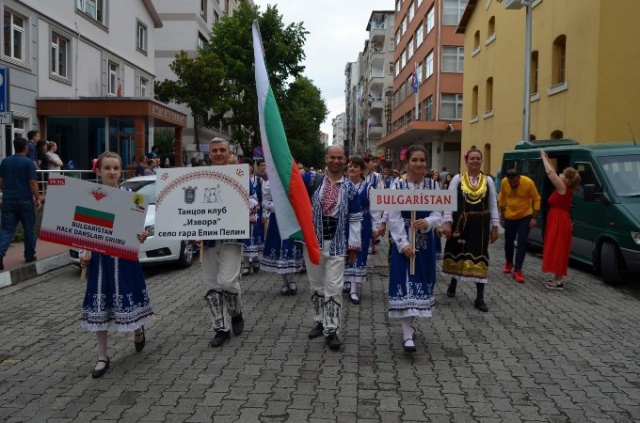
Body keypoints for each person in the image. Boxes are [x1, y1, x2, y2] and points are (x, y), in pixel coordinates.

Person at [78, 151, 152, 378]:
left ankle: (138, 329)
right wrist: (84, 252)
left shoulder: (132, 197)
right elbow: (82, 228)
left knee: (130, 300)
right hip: (100, 261)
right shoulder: (89, 196)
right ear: (98, 171)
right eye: (107, 168)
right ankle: (102, 356)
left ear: (121, 172)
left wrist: (141, 236)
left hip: (124, 259)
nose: (111, 172)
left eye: (115, 168)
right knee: (99, 306)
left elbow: (138, 229)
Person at [303, 145, 361, 351]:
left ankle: (332, 329)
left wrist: (354, 245)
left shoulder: (351, 188)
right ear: (326, 158)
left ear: (345, 160)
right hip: (313, 242)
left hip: (337, 243)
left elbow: (355, 219)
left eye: (340, 158)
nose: (336, 161)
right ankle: (319, 320)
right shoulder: (311, 180)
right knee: (316, 284)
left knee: (334, 287)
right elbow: (292, 196)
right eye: (332, 157)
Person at [386, 145, 442, 353]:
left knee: (421, 282)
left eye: (422, 160)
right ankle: (407, 334)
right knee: (406, 282)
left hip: (425, 243)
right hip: (404, 242)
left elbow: (438, 213)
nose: (419, 164)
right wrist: (403, 243)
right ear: (406, 163)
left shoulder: (433, 186)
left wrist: (427, 222)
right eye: (414, 160)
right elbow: (393, 217)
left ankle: (410, 327)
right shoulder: (396, 186)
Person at [202, 137, 257, 348]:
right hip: (207, 239)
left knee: (228, 282)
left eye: (222, 150)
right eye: (214, 150)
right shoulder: (199, 177)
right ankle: (220, 328)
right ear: (210, 154)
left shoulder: (241, 176)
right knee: (211, 285)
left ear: (229, 153)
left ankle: (236, 313)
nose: (218, 153)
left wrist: (242, 203)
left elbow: (254, 203)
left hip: (231, 237)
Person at [441, 148, 499, 312]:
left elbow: (492, 205)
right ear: (466, 161)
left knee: (480, 255)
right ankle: (453, 283)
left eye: (478, 159)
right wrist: (447, 222)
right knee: (457, 251)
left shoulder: (488, 181)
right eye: (472, 158)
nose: (475, 161)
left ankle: (479, 297)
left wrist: (494, 227)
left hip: (480, 224)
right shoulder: (457, 179)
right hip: (460, 223)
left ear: (481, 161)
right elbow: (448, 202)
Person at [540, 149, 581, 289]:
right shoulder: (565, 187)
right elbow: (554, 171)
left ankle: (559, 280)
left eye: (563, 174)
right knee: (559, 247)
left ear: (567, 179)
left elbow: (551, 173)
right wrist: (547, 158)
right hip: (560, 218)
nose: (561, 174)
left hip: (558, 219)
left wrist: (542, 158)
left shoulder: (562, 187)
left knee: (557, 247)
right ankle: (558, 277)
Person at [0, 137, 42, 270]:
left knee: (6, 230)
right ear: (26, 147)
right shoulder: (28, 162)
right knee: (29, 228)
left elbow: (1, 181)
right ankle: (29, 255)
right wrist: (38, 198)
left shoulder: (5, 162)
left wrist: (5, 192)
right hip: (25, 200)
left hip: (8, 200)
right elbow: (33, 183)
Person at [261, 177, 303, 295]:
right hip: (276, 220)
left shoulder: (292, 179)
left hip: (291, 218)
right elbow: (265, 201)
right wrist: (275, 207)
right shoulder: (269, 183)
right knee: (279, 249)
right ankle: (284, 282)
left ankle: (292, 280)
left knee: (291, 248)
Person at [498, 168, 541, 283]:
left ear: (519, 178)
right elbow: (502, 196)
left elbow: (536, 199)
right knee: (508, 242)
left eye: (515, 182)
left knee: (522, 242)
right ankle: (509, 262)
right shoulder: (504, 182)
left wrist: (534, 217)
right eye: (511, 182)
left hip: (525, 216)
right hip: (509, 216)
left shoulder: (528, 182)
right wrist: (501, 212)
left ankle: (518, 269)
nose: (513, 184)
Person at [343, 156, 373, 305]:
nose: (351, 168)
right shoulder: (342, 185)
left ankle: (354, 289)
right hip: (344, 224)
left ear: (361, 170)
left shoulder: (368, 187)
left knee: (358, 253)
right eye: (350, 166)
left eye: (355, 166)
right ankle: (347, 281)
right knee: (344, 253)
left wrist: (377, 226)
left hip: (362, 225)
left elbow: (374, 209)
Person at [241, 157, 264, 276]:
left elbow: (263, 197)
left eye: (248, 165)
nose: (247, 167)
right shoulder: (239, 179)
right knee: (244, 238)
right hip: (242, 213)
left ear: (252, 166)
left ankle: (255, 259)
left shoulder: (258, 180)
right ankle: (245, 264)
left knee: (254, 237)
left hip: (256, 213)